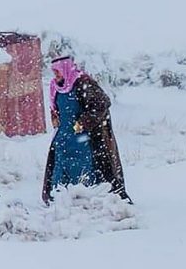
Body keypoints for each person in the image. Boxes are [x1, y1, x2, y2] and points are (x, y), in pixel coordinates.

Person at [42, 56, 132, 204]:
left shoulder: (83, 83)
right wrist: (55, 117)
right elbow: (55, 107)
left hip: (81, 137)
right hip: (63, 136)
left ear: (66, 69)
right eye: (53, 71)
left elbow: (101, 104)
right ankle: (59, 199)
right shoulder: (55, 86)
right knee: (60, 166)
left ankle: (85, 199)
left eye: (57, 71)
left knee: (81, 166)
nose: (55, 75)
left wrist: (83, 123)